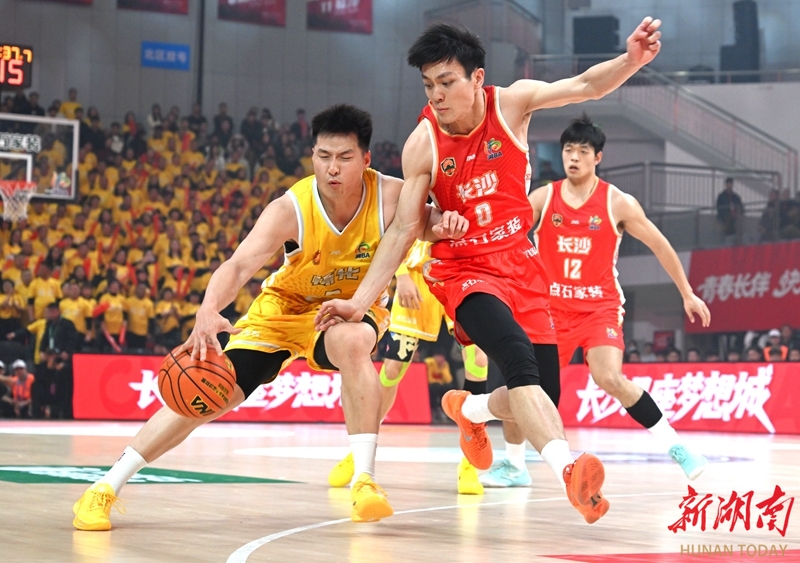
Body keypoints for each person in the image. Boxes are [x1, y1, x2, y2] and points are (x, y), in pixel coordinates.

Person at [316, 18, 664, 524]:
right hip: (463, 270)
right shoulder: (423, 144)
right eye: (428, 85)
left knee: (544, 394)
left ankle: (470, 410)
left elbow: (586, 85)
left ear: (477, 78)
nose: (436, 95)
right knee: (517, 358)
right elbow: (404, 230)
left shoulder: (513, 104)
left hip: (521, 265)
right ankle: (569, 471)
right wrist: (360, 300)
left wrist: (631, 61)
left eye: (446, 82)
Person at [71, 104, 465, 531]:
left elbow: (430, 223)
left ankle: (365, 481)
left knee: (352, 341)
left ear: (366, 159)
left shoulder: (391, 195)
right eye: (323, 156)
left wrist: (449, 222)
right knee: (206, 389)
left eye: (344, 157)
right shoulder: (290, 207)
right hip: (283, 309)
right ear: (312, 155)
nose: (332, 168)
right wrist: (208, 310)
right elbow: (239, 265)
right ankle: (104, 487)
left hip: (351, 308)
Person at [483, 116, 709, 487]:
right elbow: (503, 234)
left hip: (598, 309)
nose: (573, 157)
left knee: (608, 377)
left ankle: (679, 448)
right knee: (525, 387)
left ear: (597, 157)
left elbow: (659, 244)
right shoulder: (543, 197)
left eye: (582, 151)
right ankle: (514, 464)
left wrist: (686, 292)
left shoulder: (617, 202)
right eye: (568, 150)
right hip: (548, 313)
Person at [326, 239, 489, 495]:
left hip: (459, 273)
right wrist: (400, 275)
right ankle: (360, 454)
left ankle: (469, 464)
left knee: (478, 359)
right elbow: (398, 228)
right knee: (393, 368)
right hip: (416, 276)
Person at [716, 177, 743, 244]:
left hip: (734, 218)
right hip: (725, 218)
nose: (729, 186)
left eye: (730, 184)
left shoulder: (736, 197)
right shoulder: (721, 196)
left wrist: (737, 214)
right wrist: (725, 215)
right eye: (728, 184)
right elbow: (719, 208)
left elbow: (741, 207)